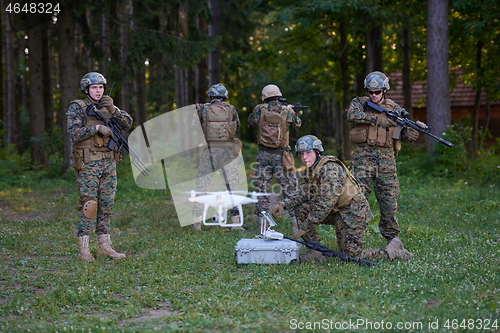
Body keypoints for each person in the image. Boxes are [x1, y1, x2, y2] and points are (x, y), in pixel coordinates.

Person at [272, 135, 412, 262]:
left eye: (308, 153)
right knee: (302, 206)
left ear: (317, 152)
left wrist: (305, 227)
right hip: (338, 211)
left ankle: (393, 250)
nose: (304, 157)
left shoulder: (330, 169)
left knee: (350, 256)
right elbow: (305, 191)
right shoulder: (313, 168)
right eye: (301, 154)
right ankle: (316, 251)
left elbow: (325, 203)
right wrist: (284, 204)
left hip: (353, 213)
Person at [347, 71, 422, 245]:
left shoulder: (394, 109)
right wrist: (377, 120)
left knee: (389, 200)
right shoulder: (359, 103)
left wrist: (407, 134)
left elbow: (397, 133)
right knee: (356, 198)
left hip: (386, 160)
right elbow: (351, 115)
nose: (373, 96)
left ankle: (392, 238)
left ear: (384, 90)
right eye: (370, 92)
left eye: (377, 92)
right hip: (363, 159)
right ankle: (353, 237)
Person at [67, 72, 132, 262]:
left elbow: (128, 123)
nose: (98, 91)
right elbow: (73, 133)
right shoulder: (77, 108)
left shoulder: (108, 107)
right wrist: (95, 129)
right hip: (88, 163)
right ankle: (84, 249)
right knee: (89, 205)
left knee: (106, 205)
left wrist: (113, 109)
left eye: (101, 87)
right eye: (94, 87)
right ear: (86, 89)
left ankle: (105, 246)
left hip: (108, 163)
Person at [248, 84, 301, 231]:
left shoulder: (259, 109)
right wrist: (289, 110)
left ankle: (262, 228)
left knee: (262, 190)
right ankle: (296, 227)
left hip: (263, 156)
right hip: (282, 156)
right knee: (290, 190)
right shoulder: (286, 111)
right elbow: (297, 124)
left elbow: (251, 123)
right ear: (278, 95)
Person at [191, 83, 243, 231]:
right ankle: (236, 223)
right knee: (232, 186)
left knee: (202, 186)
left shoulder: (204, 109)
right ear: (224, 96)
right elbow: (237, 126)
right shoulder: (231, 109)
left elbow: (195, 127)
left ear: (211, 96)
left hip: (209, 152)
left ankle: (196, 223)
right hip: (227, 151)